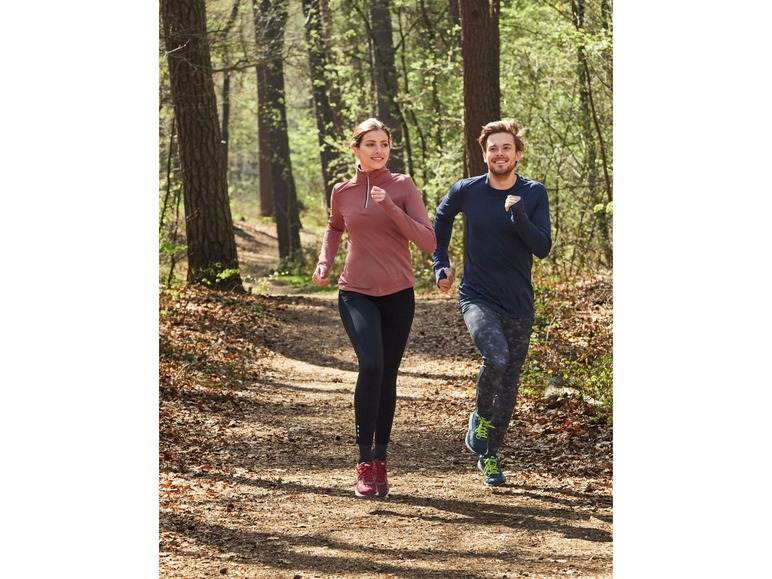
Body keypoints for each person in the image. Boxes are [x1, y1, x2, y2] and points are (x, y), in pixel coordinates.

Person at [312, 118, 436, 498]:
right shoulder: (342, 191)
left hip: (399, 292)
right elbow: (335, 227)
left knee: (389, 374)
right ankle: (364, 461)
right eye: (370, 144)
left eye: (384, 144)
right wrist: (324, 261)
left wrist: (394, 210)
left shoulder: (402, 186)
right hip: (356, 291)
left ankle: (381, 458)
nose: (378, 150)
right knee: (372, 365)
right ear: (356, 149)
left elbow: (429, 241)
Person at [432, 119, 552, 486]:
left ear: (518, 154)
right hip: (477, 296)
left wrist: (517, 215)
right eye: (493, 149)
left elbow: (542, 248)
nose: (499, 154)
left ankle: (490, 455)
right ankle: (480, 419)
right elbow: (442, 217)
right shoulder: (467, 190)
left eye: (506, 148)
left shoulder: (533, 193)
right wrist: (441, 262)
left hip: (519, 301)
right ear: (484, 154)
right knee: (496, 358)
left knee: (511, 381)